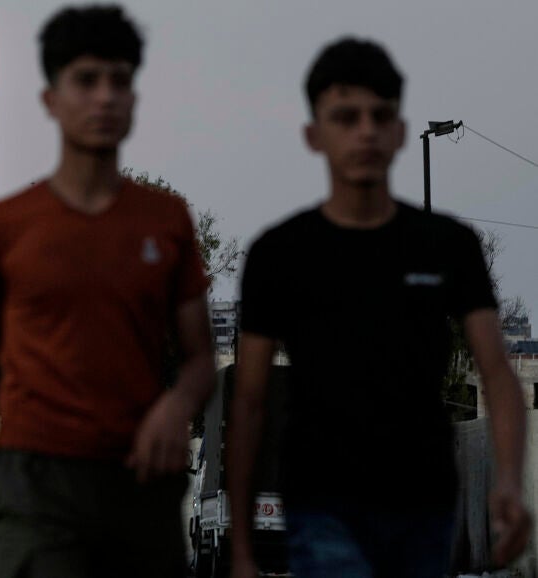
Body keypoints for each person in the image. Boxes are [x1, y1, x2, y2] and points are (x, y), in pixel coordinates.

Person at [227, 37, 532, 578]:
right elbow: (249, 402)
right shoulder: (280, 254)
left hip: (424, 501)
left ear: (399, 131)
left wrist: (508, 481)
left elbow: (498, 373)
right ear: (314, 134)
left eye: (380, 115)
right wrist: (243, 547)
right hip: (321, 502)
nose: (365, 131)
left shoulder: (448, 246)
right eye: (346, 117)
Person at [0, 6, 217, 578]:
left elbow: (200, 360)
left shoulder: (166, 220)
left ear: (134, 98)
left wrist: (176, 407)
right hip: (36, 480)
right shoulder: (6, 226)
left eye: (120, 81)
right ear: (51, 99)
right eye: (86, 80)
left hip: (140, 477)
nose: (105, 97)